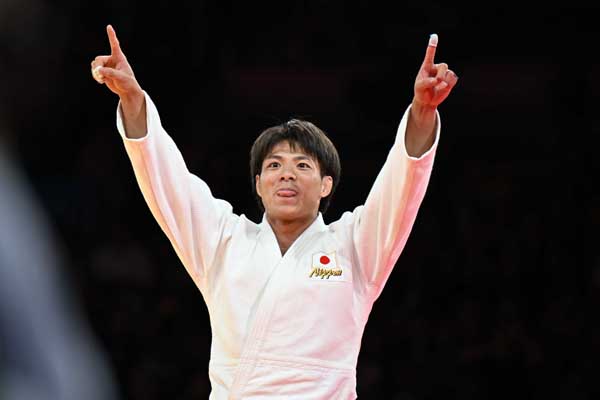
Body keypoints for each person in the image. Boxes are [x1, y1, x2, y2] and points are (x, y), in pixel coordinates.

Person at [90, 24, 457, 399]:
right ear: (259, 185)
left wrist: (422, 113)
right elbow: (170, 184)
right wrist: (133, 100)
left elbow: (399, 190)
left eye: (303, 165)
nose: (287, 174)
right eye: (274, 165)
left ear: (326, 185)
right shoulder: (224, 242)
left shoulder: (354, 247)